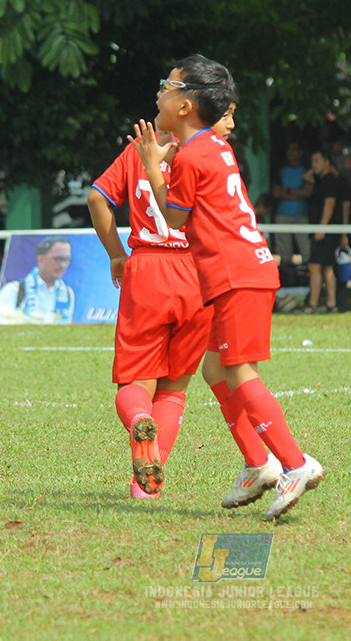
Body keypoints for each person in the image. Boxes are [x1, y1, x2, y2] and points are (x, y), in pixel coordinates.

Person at [130, 54, 324, 521]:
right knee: (215, 371)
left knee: (238, 371)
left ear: (186, 105)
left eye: (167, 86)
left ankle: (294, 464)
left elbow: (174, 219)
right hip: (239, 272)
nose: (159, 93)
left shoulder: (194, 153)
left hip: (236, 275)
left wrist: (153, 167)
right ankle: (259, 463)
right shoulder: (214, 146)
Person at [87, 108, 239, 499]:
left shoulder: (138, 150)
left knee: (134, 381)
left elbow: (96, 198)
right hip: (196, 275)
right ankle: (146, 491)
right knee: (174, 389)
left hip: (148, 274)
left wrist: (116, 254)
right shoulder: (209, 153)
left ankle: (140, 419)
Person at [299, 149, 350, 313]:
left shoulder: (328, 180)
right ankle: (331, 303)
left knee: (315, 267)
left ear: (327, 162)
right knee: (327, 268)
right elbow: (306, 177)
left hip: (324, 231)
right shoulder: (324, 179)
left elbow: (330, 203)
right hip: (326, 230)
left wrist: (322, 226)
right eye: (312, 162)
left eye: (317, 161)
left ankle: (313, 304)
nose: (313, 165)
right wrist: (314, 171)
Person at [0, 236, 76, 324]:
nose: (63, 265)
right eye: (58, 259)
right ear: (41, 259)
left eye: (66, 260)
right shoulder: (13, 290)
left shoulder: (68, 294)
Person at [271, 141, 313, 267]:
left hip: (301, 215)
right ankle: (288, 278)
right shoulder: (280, 170)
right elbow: (276, 193)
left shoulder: (306, 170)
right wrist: (298, 193)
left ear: (300, 152)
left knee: (307, 251)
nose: (291, 153)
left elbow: (308, 193)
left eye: (294, 149)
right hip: (282, 215)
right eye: (289, 149)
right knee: (284, 254)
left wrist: (288, 191)